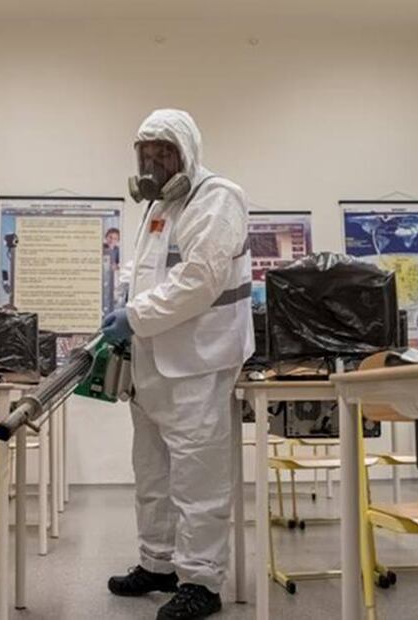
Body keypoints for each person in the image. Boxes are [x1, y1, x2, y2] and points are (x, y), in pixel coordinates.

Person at [101, 109, 253, 620]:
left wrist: (135, 316)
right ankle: (159, 563)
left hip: (198, 364)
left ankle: (201, 581)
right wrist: (127, 320)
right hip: (151, 366)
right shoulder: (158, 206)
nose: (152, 162)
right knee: (152, 474)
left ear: (187, 151)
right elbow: (146, 276)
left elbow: (199, 281)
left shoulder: (216, 197)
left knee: (198, 477)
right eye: (145, 152)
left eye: (163, 151)